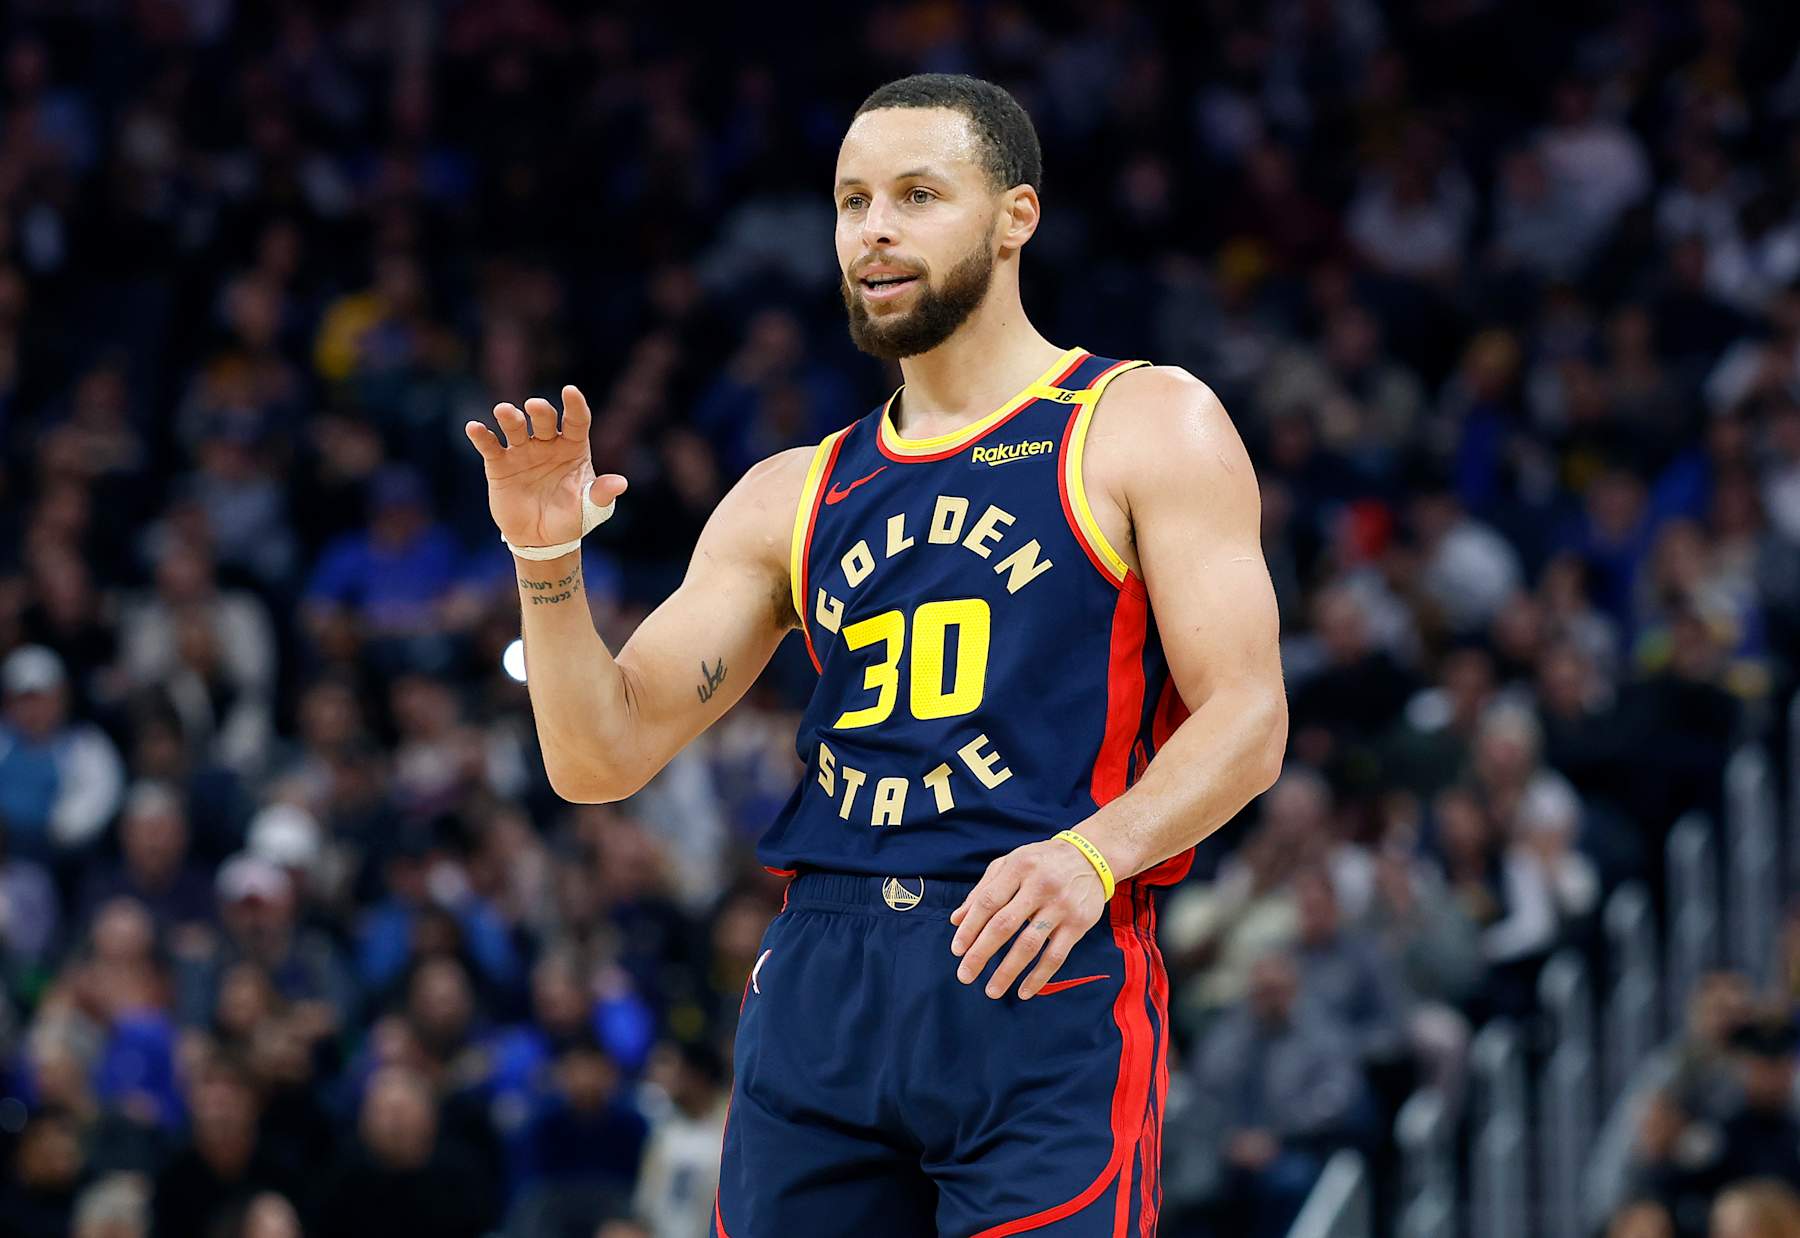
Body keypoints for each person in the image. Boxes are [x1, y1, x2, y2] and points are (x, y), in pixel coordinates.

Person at [464, 73, 1286, 1236]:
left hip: (1037, 946)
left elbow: (1249, 718)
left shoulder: (1144, 422)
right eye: (852, 202)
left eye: (917, 194)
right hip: (823, 970)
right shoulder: (790, 493)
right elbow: (599, 756)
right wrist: (546, 564)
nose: (875, 230)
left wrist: (1094, 856)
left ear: (1016, 216)